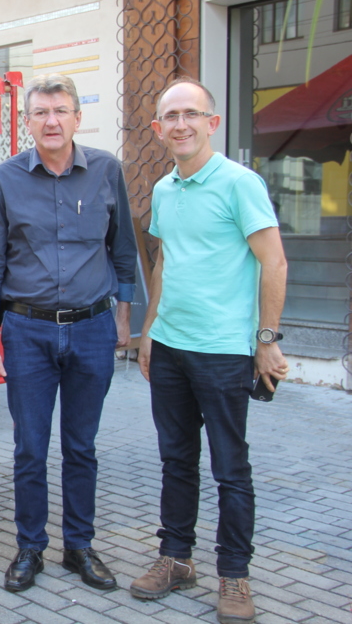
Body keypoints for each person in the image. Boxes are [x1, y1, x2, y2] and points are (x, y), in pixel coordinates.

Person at [131, 78, 288, 624]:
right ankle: (176, 558)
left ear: (211, 122)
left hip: (224, 352)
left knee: (230, 469)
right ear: (157, 129)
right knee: (176, 461)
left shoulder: (240, 184)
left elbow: (275, 262)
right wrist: (150, 329)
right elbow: (165, 263)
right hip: (171, 347)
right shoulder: (165, 190)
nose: (180, 125)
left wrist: (266, 341)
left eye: (190, 114)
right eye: (169, 116)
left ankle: (235, 577)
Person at [0, 73, 137, 593]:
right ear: (27, 121)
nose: (51, 121)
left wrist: (125, 319)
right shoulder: (5, 180)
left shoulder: (107, 172)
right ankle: (30, 547)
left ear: (76, 117)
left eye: (60, 110)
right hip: (27, 331)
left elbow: (125, 251)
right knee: (29, 447)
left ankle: (80, 547)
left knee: (81, 447)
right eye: (41, 112)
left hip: (92, 328)